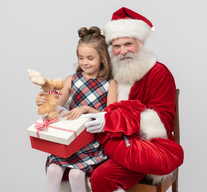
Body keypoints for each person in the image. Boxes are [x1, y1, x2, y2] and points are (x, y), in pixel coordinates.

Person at [84, 7, 184, 192]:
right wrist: (53, 100)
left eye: (128, 44)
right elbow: (84, 95)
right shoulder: (110, 72)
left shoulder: (159, 73)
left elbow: (164, 122)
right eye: (117, 46)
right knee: (80, 172)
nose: (122, 51)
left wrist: (116, 121)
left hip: (148, 145)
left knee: (99, 175)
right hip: (114, 142)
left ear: (141, 42)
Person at [36, 26, 117, 192]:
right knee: (52, 170)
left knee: (76, 175)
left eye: (90, 58)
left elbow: (111, 115)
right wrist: (44, 101)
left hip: (91, 142)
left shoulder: (110, 83)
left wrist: (86, 109)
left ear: (102, 58)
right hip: (69, 141)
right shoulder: (72, 80)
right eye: (81, 58)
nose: (84, 62)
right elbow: (57, 104)